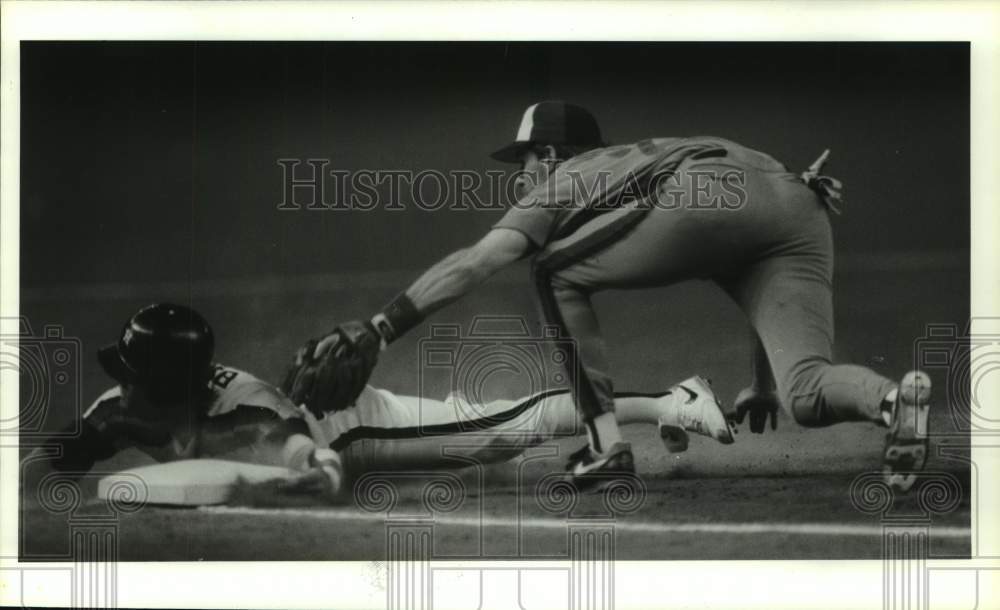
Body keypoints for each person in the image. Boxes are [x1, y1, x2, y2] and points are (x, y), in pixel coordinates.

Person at [336, 100, 931, 492]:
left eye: (524, 160)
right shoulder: (631, 162)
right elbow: (749, 244)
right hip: (797, 198)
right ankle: (893, 402)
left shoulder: (566, 176)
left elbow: (478, 262)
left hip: (699, 189)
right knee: (805, 392)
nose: (520, 175)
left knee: (551, 273)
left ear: (550, 155)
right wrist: (764, 384)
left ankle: (607, 448)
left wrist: (381, 327)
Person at [22, 303, 733, 501]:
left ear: (164, 378)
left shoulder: (250, 409)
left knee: (503, 428)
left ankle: (673, 400)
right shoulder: (121, 408)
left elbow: (318, 462)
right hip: (333, 437)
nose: (122, 380)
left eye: (135, 370)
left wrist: (305, 477)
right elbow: (60, 450)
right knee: (504, 427)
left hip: (361, 431)